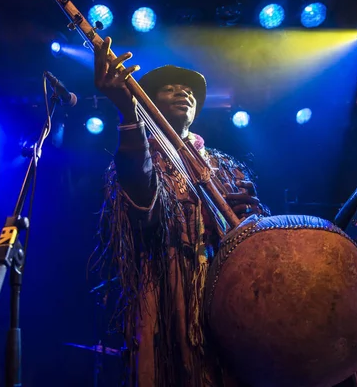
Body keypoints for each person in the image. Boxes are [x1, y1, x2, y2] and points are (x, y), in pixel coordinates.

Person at [92, 37, 270, 386]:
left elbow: (254, 229)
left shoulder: (222, 164)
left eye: (188, 91)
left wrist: (250, 222)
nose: (183, 93)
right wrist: (128, 115)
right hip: (165, 283)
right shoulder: (144, 153)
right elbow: (142, 204)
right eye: (170, 88)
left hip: (225, 284)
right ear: (148, 102)